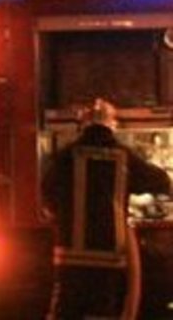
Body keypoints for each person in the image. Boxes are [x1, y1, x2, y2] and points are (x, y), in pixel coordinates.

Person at [42, 98, 171, 320]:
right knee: (102, 311)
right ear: (113, 125)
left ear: (82, 125)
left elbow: (46, 193)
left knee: (65, 311)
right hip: (109, 255)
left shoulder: (65, 157)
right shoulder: (124, 156)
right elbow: (161, 182)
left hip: (70, 254)